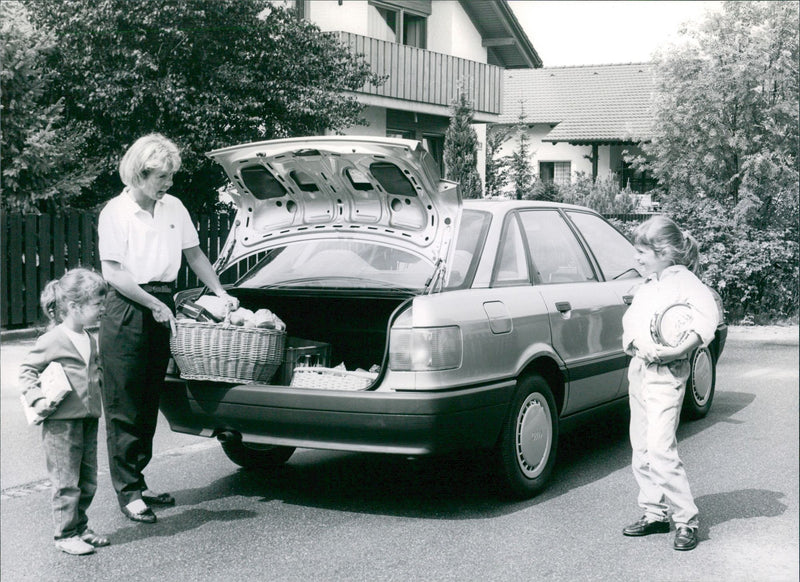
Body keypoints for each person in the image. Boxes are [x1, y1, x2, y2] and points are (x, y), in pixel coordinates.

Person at [98, 133, 238, 524]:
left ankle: (138, 484)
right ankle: (127, 493)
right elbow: (114, 272)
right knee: (123, 405)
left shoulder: (173, 207)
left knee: (146, 404)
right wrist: (154, 305)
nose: (169, 184)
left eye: (171, 176)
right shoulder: (116, 212)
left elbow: (193, 254)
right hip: (127, 307)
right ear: (140, 173)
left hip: (160, 304)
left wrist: (220, 292)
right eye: (162, 176)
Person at [621, 215, 719, 551]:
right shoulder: (648, 285)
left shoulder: (688, 284)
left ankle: (686, 519)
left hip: (667, 374)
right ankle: (654, 513)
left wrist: (678, 349)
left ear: (663, 251)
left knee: (661, 449)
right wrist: (635, 344)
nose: (636, 257)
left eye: (642, 251)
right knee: (642, 448)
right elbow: (630, 325)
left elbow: (707, 320)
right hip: (640, 369)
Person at [19, 268, 110, 555]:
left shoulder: (89, 338)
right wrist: (36, 399)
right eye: (97, 304)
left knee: (88, 480)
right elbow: (26, 372)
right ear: (74, 306)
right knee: (66, 482)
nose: (102, 309)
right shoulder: (52, 339)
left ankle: (80, 526)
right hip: (61, 424)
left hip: (87, 419)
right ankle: (64, 534)